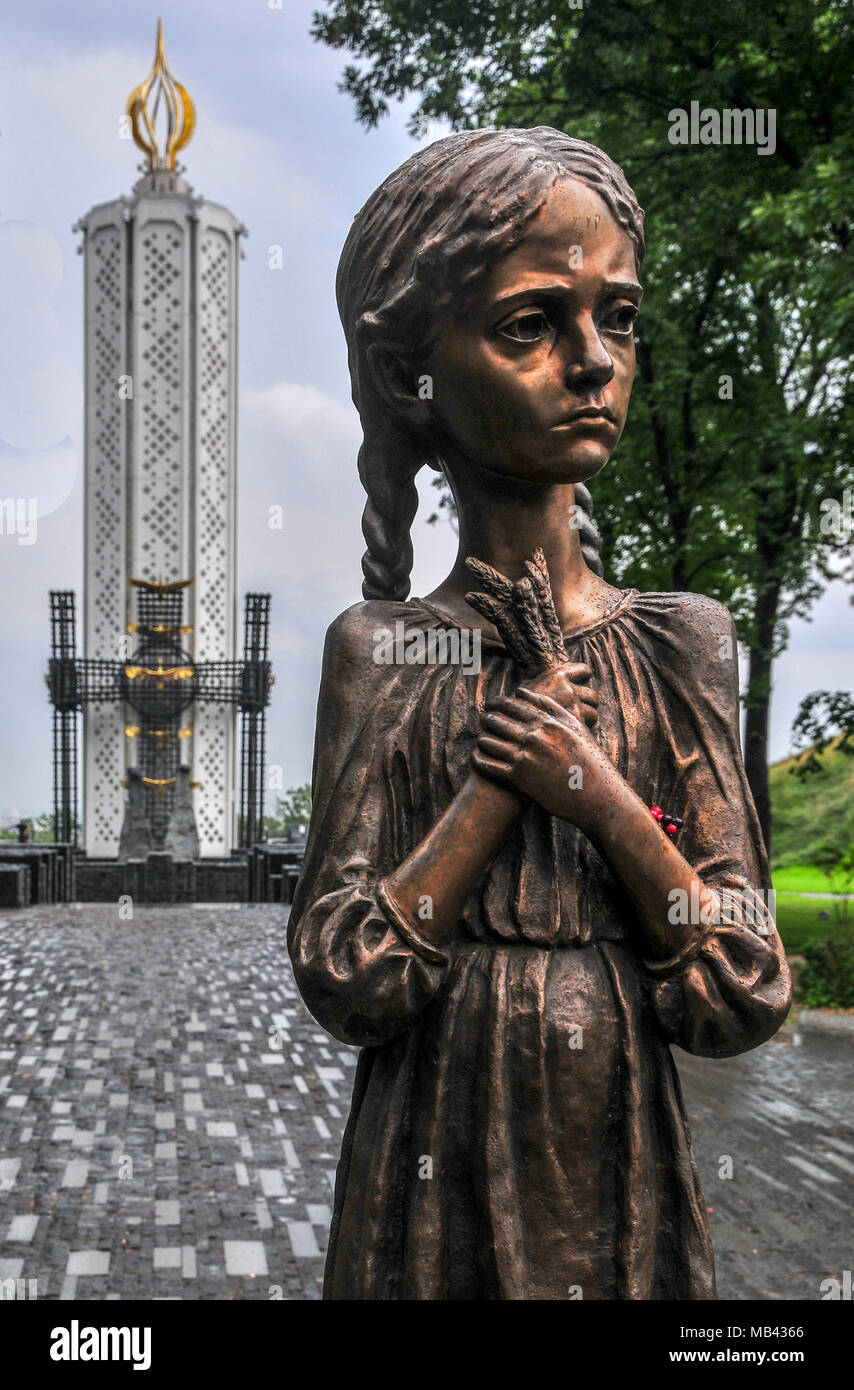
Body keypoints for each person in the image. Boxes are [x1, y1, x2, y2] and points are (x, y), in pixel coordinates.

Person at [288, 127, 791, 1300]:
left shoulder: (680, 642)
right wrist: (489, 793)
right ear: (411, 373)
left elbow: (740, 980)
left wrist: (596, 792)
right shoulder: (382, 651)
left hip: (618, 1152)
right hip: (432, 1157)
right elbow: (346, 976)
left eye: (615, 316)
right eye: (530, 323)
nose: (593, 360)